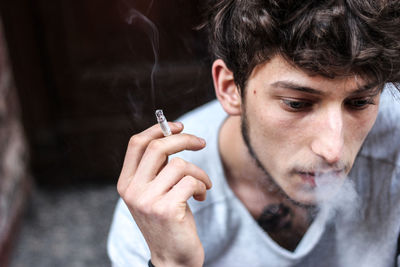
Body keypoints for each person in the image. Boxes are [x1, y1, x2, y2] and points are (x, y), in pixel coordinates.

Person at [108, 0, 400, 266]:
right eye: (297, 104)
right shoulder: (158, 213)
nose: (333, 150)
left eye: (359, 102)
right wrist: (171, 263)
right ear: (229, 88)